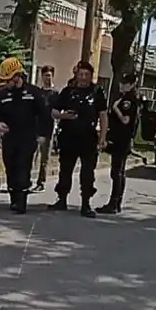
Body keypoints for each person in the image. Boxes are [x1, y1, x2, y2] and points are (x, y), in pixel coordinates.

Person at [51, 60, 107, 218]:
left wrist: (102, 137)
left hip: (88, 139)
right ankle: (61, 199)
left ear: (91, 76)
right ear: (76, 75)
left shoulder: (97, 92)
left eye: (86, 75)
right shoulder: (68, 91)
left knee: (87, 173)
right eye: (80, 74)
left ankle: (86, 204)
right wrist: (64, 116)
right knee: (65, 171)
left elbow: (103, 115)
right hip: (68, 137)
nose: (83, 78)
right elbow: (54, 112)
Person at [0, 57, 41, 214]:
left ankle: (21, 202)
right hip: (10, 137)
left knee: (23, 166)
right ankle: (14, 198)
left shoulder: (33, 93)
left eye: (8, 79)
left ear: (17, 76)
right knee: (11, 167)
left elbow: (43, 115)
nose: (6, 83)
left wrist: (42, 135)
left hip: (28, 137)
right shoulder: (2, 94)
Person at [100, 71, 139, 214]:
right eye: (122, 83)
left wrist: (116, 109)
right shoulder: (127, 98)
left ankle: (114, 203)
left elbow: (125, 120)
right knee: (118, 172)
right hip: (121, 140)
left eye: (125, 84)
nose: (121, 85)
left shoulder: (129, 101)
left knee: (117, 173)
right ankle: (116, 203)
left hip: (121, 140)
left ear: (131, 85)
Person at [34, 64, 57, 190]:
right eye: (44, 76)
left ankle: (41, 182)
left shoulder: (55, 93)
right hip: (36, 128)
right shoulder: (38, 92)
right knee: (32, 156)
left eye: (49, 75)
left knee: (44, 158)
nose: (47, 78)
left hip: (48, 128)